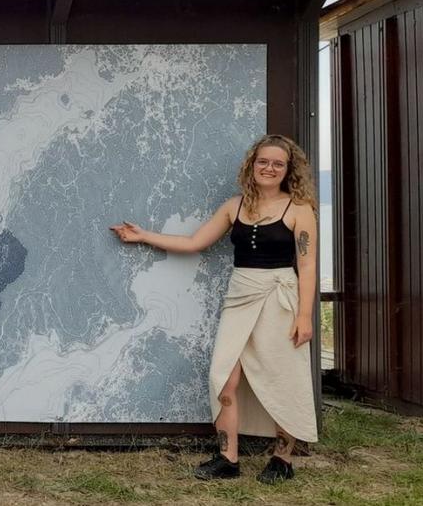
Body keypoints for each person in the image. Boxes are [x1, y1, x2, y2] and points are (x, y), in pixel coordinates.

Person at [111, 134, 318, 484]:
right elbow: (195, 242)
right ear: (253, 165)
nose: (269, 168)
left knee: (284, 379)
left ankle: (282, 459)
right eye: (263, 161)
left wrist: (304, 317)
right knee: (222, 378)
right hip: (240, 296)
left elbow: (308, 266)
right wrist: (144, 235)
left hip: (280, 299)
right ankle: (228, 458)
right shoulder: (233, 206)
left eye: (277, 163)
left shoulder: (299, 209)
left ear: (288, 170)